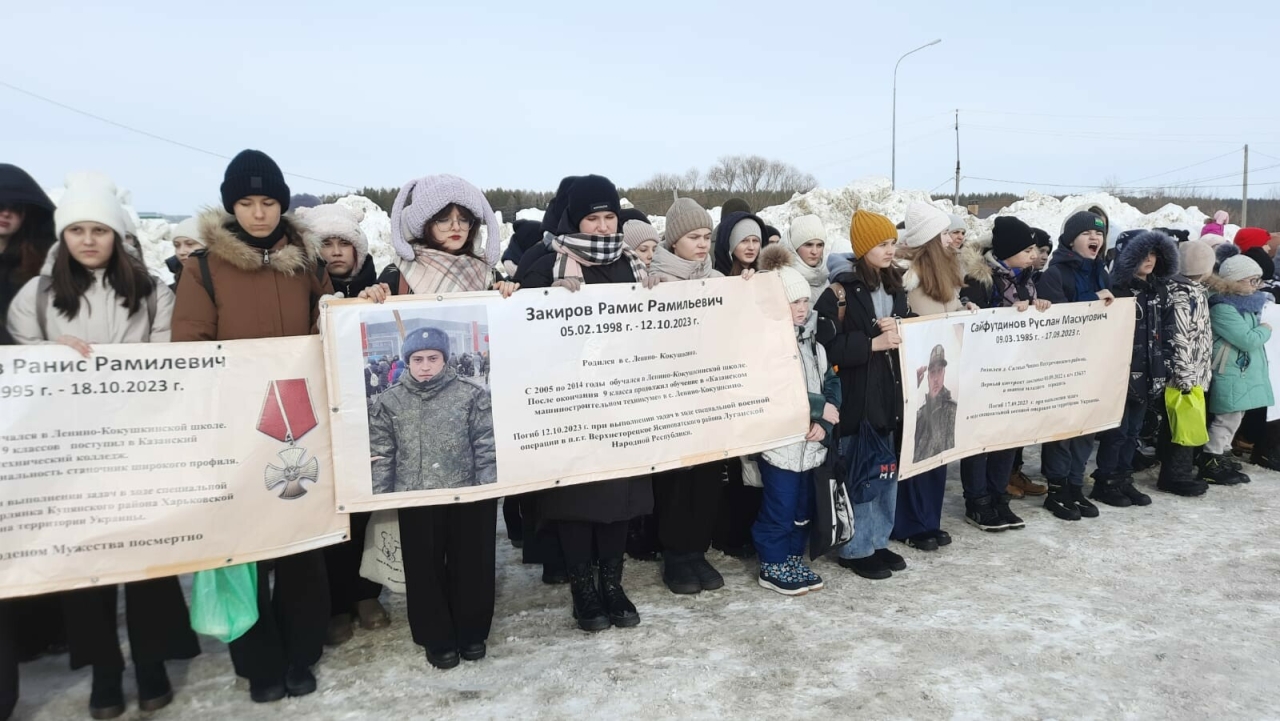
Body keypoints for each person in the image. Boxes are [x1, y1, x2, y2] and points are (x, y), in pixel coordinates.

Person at [8, 174, 196, 719]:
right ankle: (105, 671)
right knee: (86, 569)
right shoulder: (36, 298)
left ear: (116, 234)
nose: (88, 240)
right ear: (63, 236)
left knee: (146, 562)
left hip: (137, 443)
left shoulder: (149, 292)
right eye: (78, 230)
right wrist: (48, 352)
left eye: (99, 230)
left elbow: (166, 361)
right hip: (69, 452)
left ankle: (153, 660)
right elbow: (19, 370)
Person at [172, 149, 332, 703]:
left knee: (298, 542)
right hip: (237, 426)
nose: (259, 213)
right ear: (230, 206)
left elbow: (328, 323)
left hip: (301, 421)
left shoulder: (307, 262)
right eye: (247, 202)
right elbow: (189, 347)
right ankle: (258, 659)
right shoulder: (203, 269)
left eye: (268, 202)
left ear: (282, 205)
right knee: (245, 548)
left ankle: (300, 652)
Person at [356, 174, 508, 669]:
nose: (457, 226)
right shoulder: (399, 272)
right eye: (445, 218)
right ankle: (435, 633)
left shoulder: (485, 273)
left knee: (472, 546)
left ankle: (471, 629)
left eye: (464, 218)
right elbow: (346, 319)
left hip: (467, 450)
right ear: (423, 223)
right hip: (415, 461)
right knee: (424, 550)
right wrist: (368, 299)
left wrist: (510, 295)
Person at [518, 174, 653, 631]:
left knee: (618, 499)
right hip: (570, 403)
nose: (600, 226)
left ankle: (612, 584)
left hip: (621, 402)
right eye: (591, 218)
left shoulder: (632, 263)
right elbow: (524, 330)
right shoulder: (544, 264)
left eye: (608, 216)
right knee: (577, 500)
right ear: (575, 220)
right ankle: (583, 588)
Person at [290, 201, 391, 646]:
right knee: (331, 511)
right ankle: (334, 603)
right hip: (319, 416)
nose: (335, 253)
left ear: (358, 250)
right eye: (326, 244)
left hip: (371, 418)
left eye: (343, 244)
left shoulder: (380, 285)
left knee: (369, 510)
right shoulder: (302, 288)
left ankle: (366, 594)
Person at [815, 209, 908, 580]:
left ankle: (879, 540)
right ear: (864, 247)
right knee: (861, 472)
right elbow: (826, 348)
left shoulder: (897, 285)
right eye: (882, 244)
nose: (890, 251)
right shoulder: (839, 290)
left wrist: (901, 327)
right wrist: (873, 343)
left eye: (892, 244)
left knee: (886, 470)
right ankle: (856, 547)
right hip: (856, 397)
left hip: (889, 395)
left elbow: (909, 331)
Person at [646, 198, 727, 594]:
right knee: (678, 479)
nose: (701, 244)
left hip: (709, 391)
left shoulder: (715, 277)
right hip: (670, 396)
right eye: (693, 236)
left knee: (708, 476)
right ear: (674, 239)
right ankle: (676, 555)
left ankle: (698, 550)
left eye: (707, 236)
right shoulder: (653, 278)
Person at [754, 245, 840, 594]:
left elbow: (832, 383)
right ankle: (772, 563)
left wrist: (826, 421)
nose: (803, 309)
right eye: (794, 303)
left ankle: (792, 557)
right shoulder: (768, 348)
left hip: (811, 445)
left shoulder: (814, 345)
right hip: (782, 448)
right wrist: (818, 409)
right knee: (780, 506)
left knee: (803, 507)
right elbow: (775, 392)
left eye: (805, 301)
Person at [956, 216, 1052, 530]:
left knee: (1006, 439)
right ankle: (977, 502)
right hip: (983, 373)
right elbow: (976, 322)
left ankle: (999, 497)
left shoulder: (1026, 277)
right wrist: (1008, 314)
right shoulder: (979, 279)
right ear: (1008, 251)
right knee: (981, 441)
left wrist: (1039, 306)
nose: (1033, 255)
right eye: (1027, 250)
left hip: (1015, 372)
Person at [893, 201, 967, 550]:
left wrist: (965, 312)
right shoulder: (907, 278)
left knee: (939, 447)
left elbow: (948, 313)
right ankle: (909, 523)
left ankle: (930, 520)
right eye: (944, 235)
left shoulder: (948, 274)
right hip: (916, 376)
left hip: (941, 368)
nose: (952, 240)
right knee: (917, 447)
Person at [1035, 210, 1116, 521]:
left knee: (1087, 426)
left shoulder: (1101, 270)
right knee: (1063, 427)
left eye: (1099, 234)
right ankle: (1056, 489)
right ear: (1071, 239)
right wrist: (1094, 301)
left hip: (1093, 360)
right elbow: (1058, 321)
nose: (1095, 238)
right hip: (1064, 362)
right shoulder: (1055, 273)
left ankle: (1074, 484)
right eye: (1087, 234)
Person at [1091, 230, 1179, 508]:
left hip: (1150, 371)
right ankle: (1106, 481)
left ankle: (1123, 478)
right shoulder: (1116, 289)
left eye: (1154, 254)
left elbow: (1167, 330)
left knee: (1134, 432)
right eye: (1142, 254)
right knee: (1116, 432)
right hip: (1121, 372)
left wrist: (1165, 363)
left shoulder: (1159, 289)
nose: (1149, 260)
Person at [711, 210, 770, 557]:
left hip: (757, 377)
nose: (750, 247)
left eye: (755, 241)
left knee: (755, 462)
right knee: (730, 464)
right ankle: (728, 532)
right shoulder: (717, 278)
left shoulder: (766, 278)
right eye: (744, 240)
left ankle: (750, 529)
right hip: (726, 379)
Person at [1201, 255, 1273, 485]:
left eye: (1258, 281)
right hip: (1230, 370)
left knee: (1235, 415)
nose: (1256, 286)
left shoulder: (1245, 305)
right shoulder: (1223, 307)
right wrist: (1266, 329)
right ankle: (1212, 457)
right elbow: (1247, 339)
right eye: (1252, 280)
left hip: (1240, 370)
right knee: (1226, 418)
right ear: (1235, 281)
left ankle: (1224, 451)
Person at [1157, 241, 1215, 496]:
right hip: (1184, 375)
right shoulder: (1181, 295)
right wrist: (1186, 376)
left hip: (1196, 370)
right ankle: (1175, 476)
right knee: (1181, 424)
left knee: (1181, 424)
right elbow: (1179, 338)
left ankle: (1179, 470)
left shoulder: (1195, 291)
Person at [786, 214, 829, 304]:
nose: (814, 251)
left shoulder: (827, 278)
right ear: (795, 247)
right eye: (808, 245)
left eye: (819, 245)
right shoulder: (781, 280)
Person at [163, 217, 204, 290]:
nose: (181, 252)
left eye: (190, 244)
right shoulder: (173, 290)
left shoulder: (225, 279)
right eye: (177, 245)